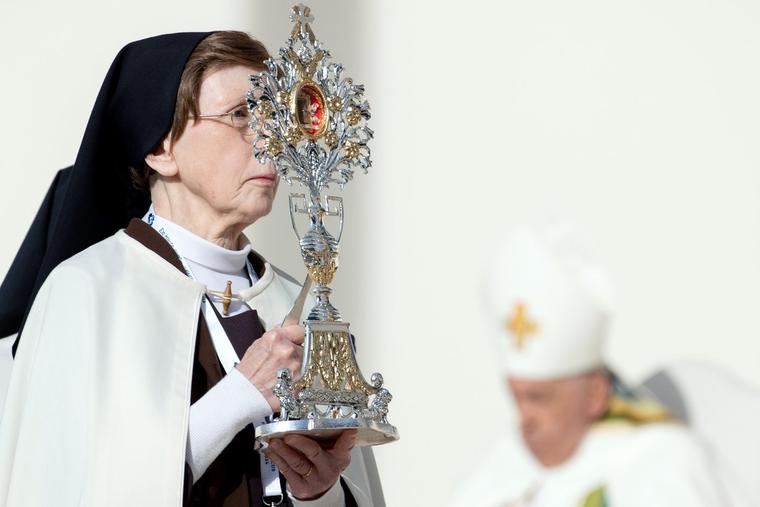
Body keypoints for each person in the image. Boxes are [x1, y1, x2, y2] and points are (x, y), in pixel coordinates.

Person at [0, 31, 375, 506]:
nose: (270, 139)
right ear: (161, 148)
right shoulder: (88, 290)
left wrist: (317, 489)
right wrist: (240, 396)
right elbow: (70, 488)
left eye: (275, 118)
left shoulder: (291, 299)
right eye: (241, 115)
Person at [450, 227, 733, 507]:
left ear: (595, 394)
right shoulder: (504, 464)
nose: (525, 421)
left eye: (539, 398)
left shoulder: (664, 461)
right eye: (517, 398)